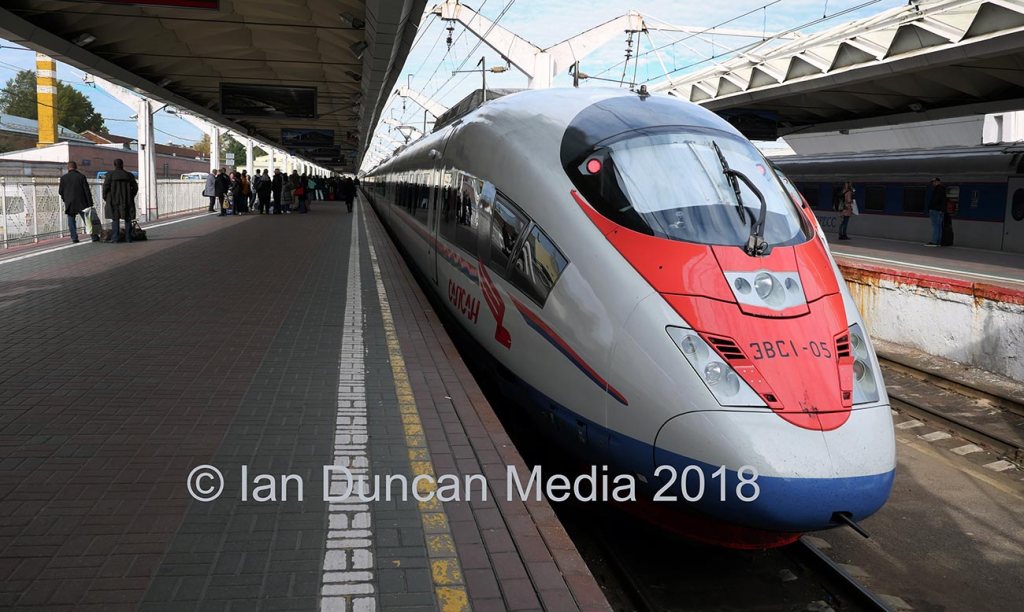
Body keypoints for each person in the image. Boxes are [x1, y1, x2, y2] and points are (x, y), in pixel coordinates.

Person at [59, 161, 97, 243]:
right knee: (87, 219)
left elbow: (60, 191)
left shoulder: (63, 178)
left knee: (71, 220)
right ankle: (94, 236)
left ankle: (74, 238)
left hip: (70, 203)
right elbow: (87, 191)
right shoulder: (81, 176)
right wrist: (90, 202)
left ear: (68, 168)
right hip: (82, 202)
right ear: (76, 167)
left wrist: (65, 199)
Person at [102, 158, 138, 243]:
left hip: (113, 199)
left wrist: (106, 198)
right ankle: (128, 238)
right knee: (127, 217)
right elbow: (135, 187)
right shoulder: (129, 175)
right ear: (122, 165)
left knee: (115, 218)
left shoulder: (110, 175)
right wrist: (131, 195)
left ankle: (115, 238)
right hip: (127, 199)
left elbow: (105, 188)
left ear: (114, 165)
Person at [926, 178, 945, 246]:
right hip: (940, 210)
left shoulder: (938, 189)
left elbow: (936, 200)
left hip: (935, 210)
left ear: (938, 182)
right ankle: (938, 242)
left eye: (934, 182)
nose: (933, 183)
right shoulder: (943, 189)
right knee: (939, 227)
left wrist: (930, 207)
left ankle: (934, 242)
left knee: (935, 226)